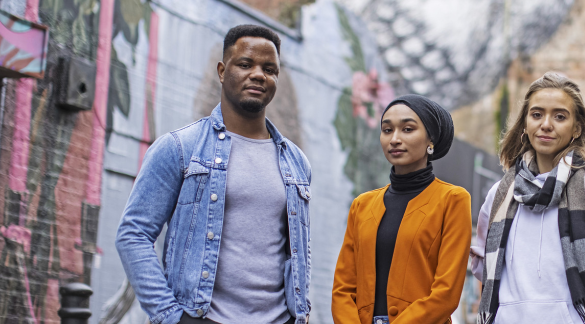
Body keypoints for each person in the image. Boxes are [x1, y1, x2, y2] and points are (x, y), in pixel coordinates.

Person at [115, 25, 312, 324]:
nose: (259, 74)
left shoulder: (297, 162)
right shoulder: (180, 148)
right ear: (222, 71)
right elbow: (134, 234)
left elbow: (298, 248)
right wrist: (172, 316)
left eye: (269, 69)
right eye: (245, 64)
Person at [470, 72, 585, 324]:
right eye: (537, 114)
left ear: (576, 127)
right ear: (525, 123)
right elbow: (484, 266)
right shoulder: (501, 194)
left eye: (560, 116)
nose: (546, 124)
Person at [332, 94, 472, 324]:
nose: (394, 139)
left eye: (408, 129)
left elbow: (446, 293)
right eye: (387, 130)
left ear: (431, 141)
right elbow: (343, 289)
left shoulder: (453, 200)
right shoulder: (362, 205)